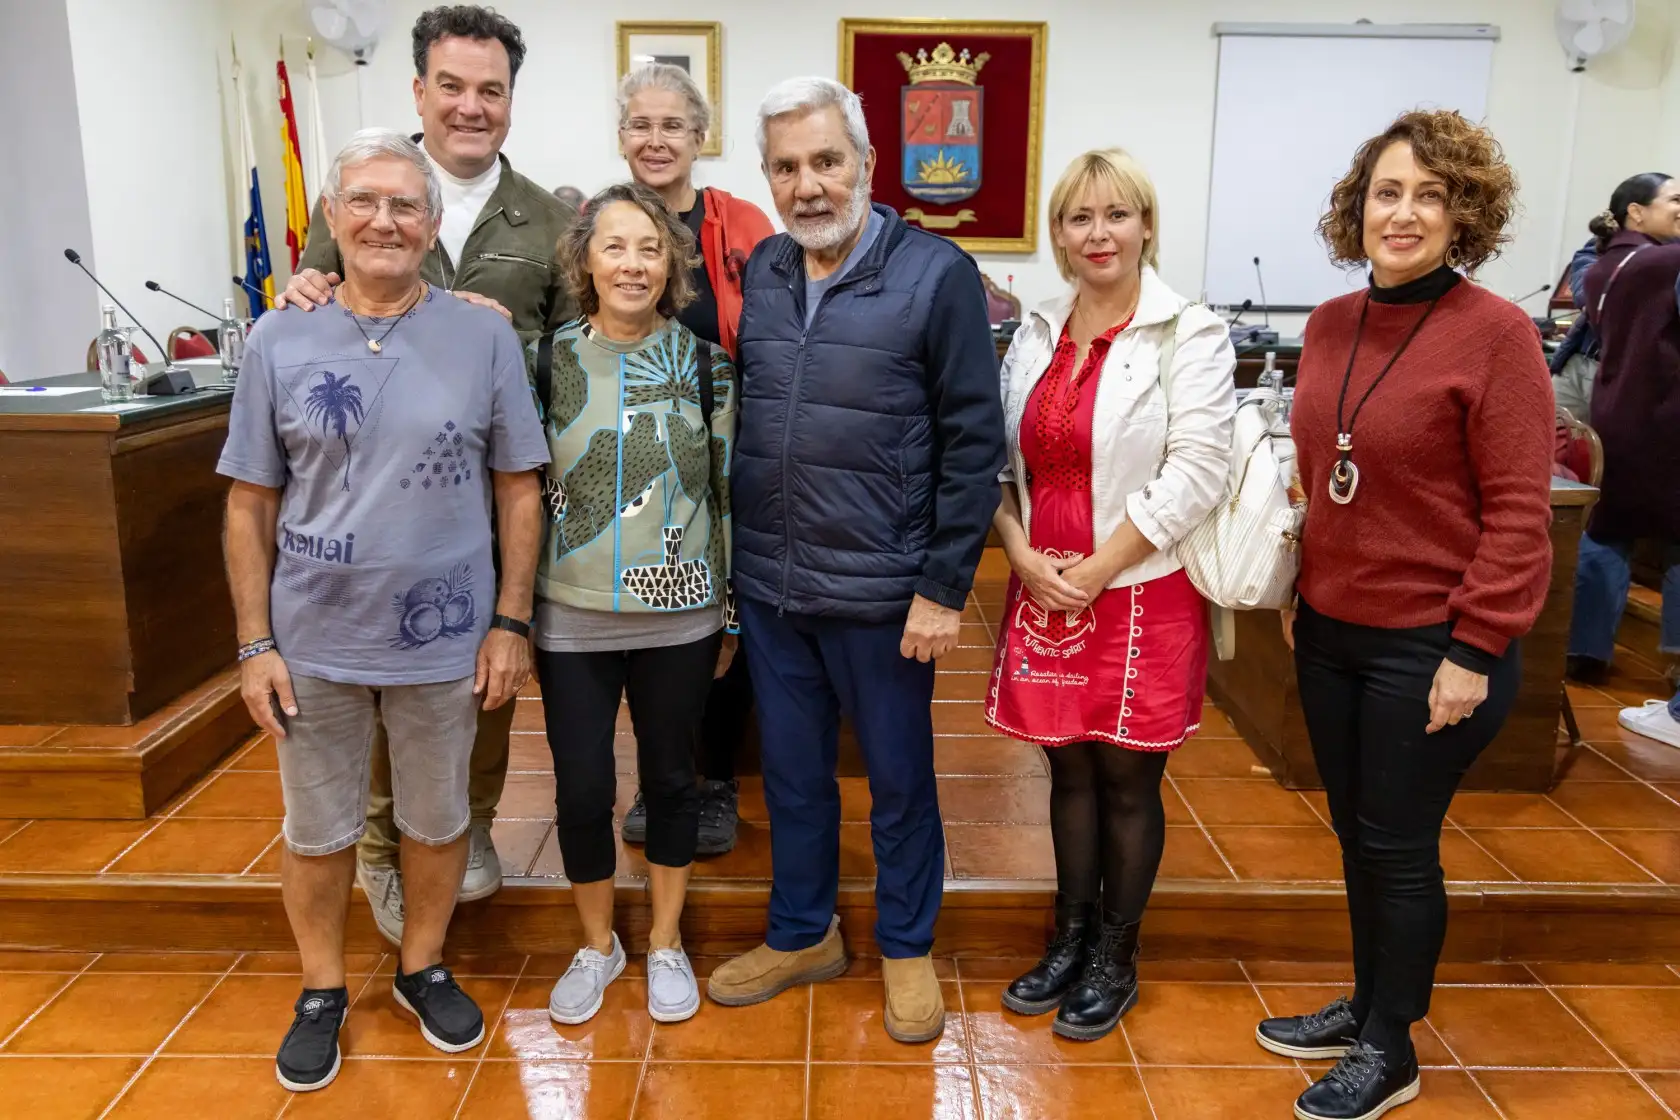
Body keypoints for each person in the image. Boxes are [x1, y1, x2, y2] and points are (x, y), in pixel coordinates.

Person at [218, 129, 549, 1092]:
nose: (384, 221)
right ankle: (321, 988)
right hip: (312, 636)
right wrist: (253, 644)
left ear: (434, 226)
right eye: (363, 201)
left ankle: (421, 965)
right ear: (332, 217)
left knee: (439, 817)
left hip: (445, 631)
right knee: (317, 829)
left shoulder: (482, 332)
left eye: (406, 206)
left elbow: (520, 486)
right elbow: (249, 502)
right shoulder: (279, 338)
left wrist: (511, 622)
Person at [1254, 110, 1554, 1120]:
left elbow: (1520, 510)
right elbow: (1321, 476)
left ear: (1464, 212)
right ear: (1358, 206)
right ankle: (1367, 1000)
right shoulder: (1333, 322)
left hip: (1434, 645)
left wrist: (1476, 646)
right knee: (1355, 831)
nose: (1406, 212)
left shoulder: (1498, 334)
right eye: (1388, 191)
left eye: (1431, 194)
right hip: (1332, 630)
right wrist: (1304, 589)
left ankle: (1393, 1046)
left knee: (1397, 841)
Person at [705, 77, 1005, 1044]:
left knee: (900, 779)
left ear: (868, 166)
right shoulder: (767, 272)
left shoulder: (936, 276)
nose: (807, 185)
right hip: (776, 584)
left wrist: (942, 586)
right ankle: (804, 934)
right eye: (786, 167)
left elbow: (973, 443)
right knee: (792, 777)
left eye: (826, 160)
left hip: (885, 591)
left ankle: (908, 946)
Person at [276, 4, 578, 942]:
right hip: (372, 500)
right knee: (365, 677)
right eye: (451, 86)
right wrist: (299, 287)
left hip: (489, 489)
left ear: (511, 101)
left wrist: (492, 339)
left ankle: (470, 823)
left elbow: (571, 358)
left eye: (491, 90)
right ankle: (376, 845)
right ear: (420, 90)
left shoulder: (551, 219)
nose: (470, 106)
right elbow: (316, 307)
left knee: (481, 666)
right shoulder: (366, 191)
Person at [986, 149, 1235, 1041]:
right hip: (1043, 580)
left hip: (1136, 586)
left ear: (1146, 226)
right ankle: (1069, 936)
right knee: (1066, 768)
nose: (1099, 234)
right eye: (1079, 218)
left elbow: (1198, 469)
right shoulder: (1036, 328)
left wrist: (1096, 568)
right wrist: (1018, 553)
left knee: (1128, 779)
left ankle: (1115, 957)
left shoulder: (1188, 331)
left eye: (1117, 214)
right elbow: (998, 460)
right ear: (1057, 234)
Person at [533, 181, 736, 1027]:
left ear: (671, 266)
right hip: (570, 611)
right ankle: (596, 944)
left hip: (680, 610)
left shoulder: (706, 364)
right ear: (585, 259)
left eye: (649, 249)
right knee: (582, 790)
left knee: (670, 783)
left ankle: (663, 942)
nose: (632, 264)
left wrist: (729, 613)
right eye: (614, 246)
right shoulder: (543, 360)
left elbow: (726, 493)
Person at [613, 61, 775, 855]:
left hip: (732, 455)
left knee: (725, 617)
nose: (655, 140)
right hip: (639, 461)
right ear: (620, 136)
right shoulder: (600, 225)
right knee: (650, 616)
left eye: (672, 125)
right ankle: (658, 775)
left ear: (699, 136)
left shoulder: (741, 223)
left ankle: (714, 780)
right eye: (640, 125)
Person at [1568, 174, 1680, 748]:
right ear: (1637, 212)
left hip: (1618, 415)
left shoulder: (1605, 262)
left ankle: (1583, 650)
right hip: (1667, 419)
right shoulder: (1667, 264)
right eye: (1676, 200)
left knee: (1605, 530)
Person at [1551, 175, 1678, 423]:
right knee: (1550, 446)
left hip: (1629, 377)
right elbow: (1587, 277)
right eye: (1675, 200)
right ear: (1637, 212)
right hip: (1580, 358)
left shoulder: (1672, 257)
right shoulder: (1612, 244)